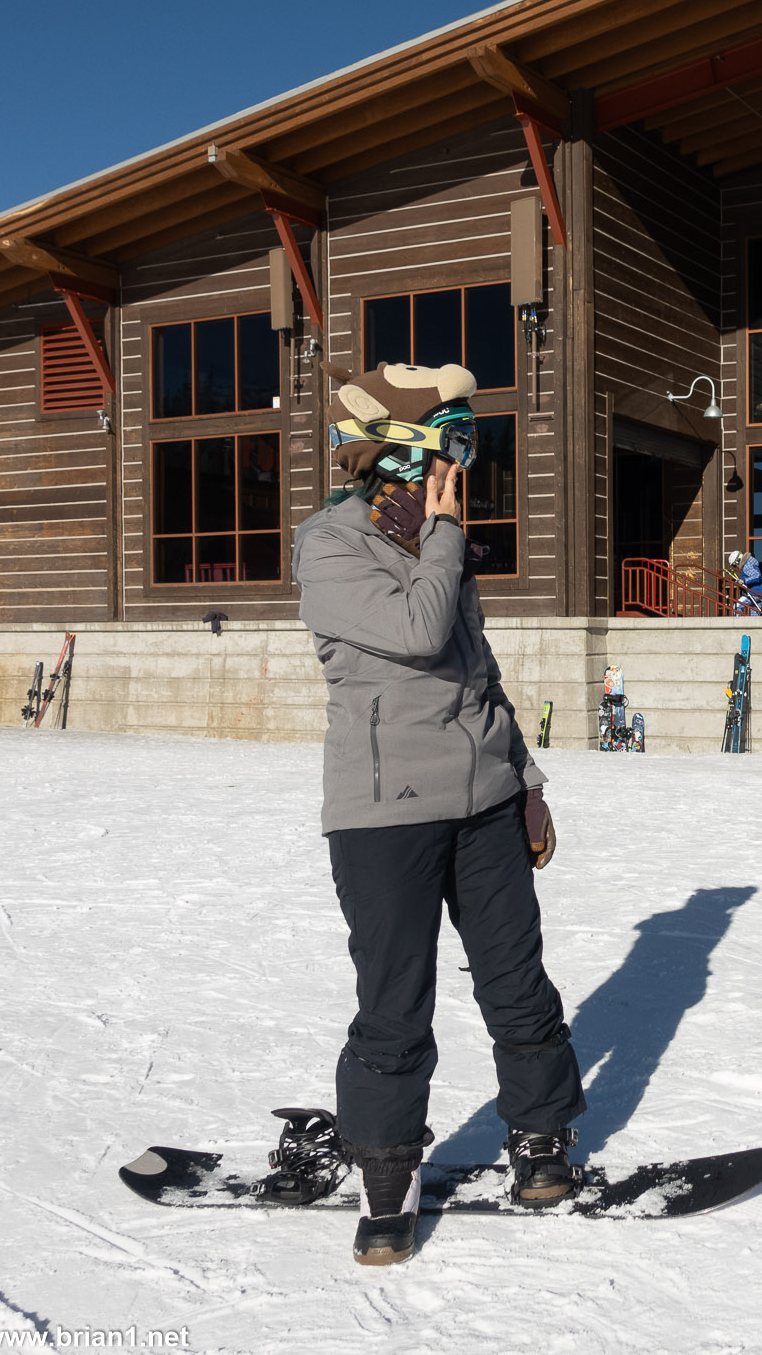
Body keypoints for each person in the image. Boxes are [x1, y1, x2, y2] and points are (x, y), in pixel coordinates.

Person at [295, 361, 585, 1266]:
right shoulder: (330, 545)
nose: (463, 469)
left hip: (486, 801)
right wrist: (448, 532)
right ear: (398, 456)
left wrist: (527, 778)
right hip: (385, 814)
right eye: (452, 450)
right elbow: (418, 633)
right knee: (393, 1005)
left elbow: (476, 670)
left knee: (517, 982)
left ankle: (539, 1142)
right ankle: (386, 1186)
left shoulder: (436, 540)